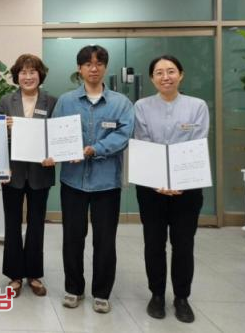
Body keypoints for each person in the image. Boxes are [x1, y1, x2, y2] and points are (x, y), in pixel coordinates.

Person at [51, 45, 134, 314]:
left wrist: (94, 149)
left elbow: (123, 135)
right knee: (72, 238)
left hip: (106, 183)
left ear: (105, 67)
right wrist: (57, 152)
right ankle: (73, 288)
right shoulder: (66, 101)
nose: (93, 68)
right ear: (80, 68)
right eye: (88, 64)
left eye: (99, 64)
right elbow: (55, 133)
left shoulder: (121, 103)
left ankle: (102, 292)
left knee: (105, 240)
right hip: (72, 181)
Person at [134, 55, 208, 323]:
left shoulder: (197, 106)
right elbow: (144, 144)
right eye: (159, 72)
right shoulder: (141, 106)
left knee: (183, 244)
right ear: (152, 78)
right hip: (151, 189)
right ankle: (156, 295)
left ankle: (181, 297)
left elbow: (196, 144)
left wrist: (178, 181)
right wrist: (159, 181)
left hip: (187, 189)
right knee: (154, 244)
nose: (166, 77)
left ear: (181, 74)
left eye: (171, 71)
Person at [0, 54, 57, 298]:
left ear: (40, 75)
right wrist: (5, 130)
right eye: (23, 72)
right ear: (17, 76)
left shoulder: (52, 101)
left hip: (40, 172)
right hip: (12, 172)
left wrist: (55, 154)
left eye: (33, 72)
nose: (28, 76)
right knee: (12, 224)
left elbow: (57, 135)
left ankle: (34, 274)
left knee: (36, 224)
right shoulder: (5, 101)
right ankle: (14, 276)